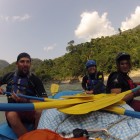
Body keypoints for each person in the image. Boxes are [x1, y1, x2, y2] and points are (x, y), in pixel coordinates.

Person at [0, 52, 47, 138]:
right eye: (22, 61)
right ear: (17, 63)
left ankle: (37, 136)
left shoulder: (35, 79)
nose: (25, 64)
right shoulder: (8, 76)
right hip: (13, 110)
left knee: (40, 111)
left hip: (29, 110)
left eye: (27, 62)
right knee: (11, 115)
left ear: (30, 64)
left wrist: (25, 100)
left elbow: (44, 100)